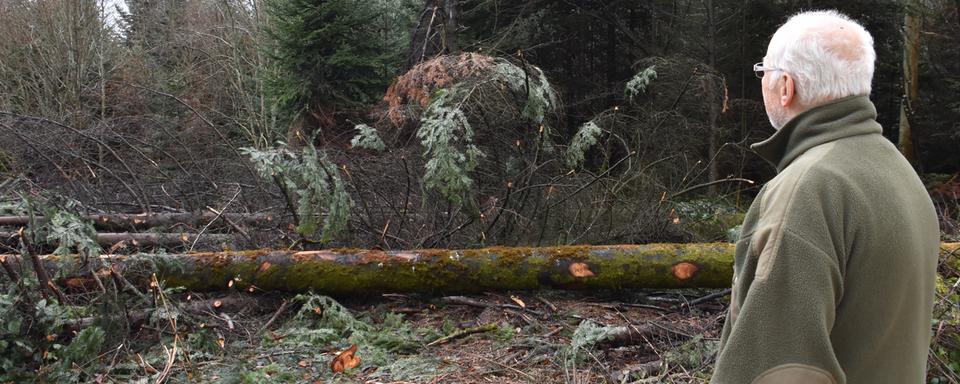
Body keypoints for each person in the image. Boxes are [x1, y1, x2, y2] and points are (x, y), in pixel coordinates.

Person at [710, 10, 940, 384]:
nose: (762, 83)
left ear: (785, 86)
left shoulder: (809, 189)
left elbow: (777, 369)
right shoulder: (900, 173)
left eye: (763, 73)